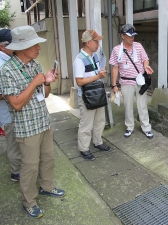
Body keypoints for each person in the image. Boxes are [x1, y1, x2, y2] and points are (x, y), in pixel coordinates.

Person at [0, 26, 65, 218]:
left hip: (42, 121)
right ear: (21, 47)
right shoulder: (7, 70)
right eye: (34, 44)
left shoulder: (35, 65)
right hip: (26, 127)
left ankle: (47, 186)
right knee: (29, 166)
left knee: (48, 158)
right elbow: (16, 104)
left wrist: (47, 82)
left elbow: (44, 95)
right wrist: (34, 83)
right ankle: (28, 201)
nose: (38, 48)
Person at [109, 24, 154, 139]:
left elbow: (145, 59)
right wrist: (114, 85)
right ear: (122, 36)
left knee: (142, 105)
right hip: (125, 82)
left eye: (134, 35)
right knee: (128, 106)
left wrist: (146, 66)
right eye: (129, 36)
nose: (132, 38)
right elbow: (115, 68)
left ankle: (146, 127)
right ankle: (129, 127)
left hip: (139, 81)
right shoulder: (116, 50)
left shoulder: (138, 46)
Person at [73, 30, 111, 161]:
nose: (98, 44)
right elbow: (79, 81)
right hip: (87, 95)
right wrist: (98, 76)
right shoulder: (79, 59)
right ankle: (84, 149)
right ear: (88, 43)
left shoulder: (94, 56)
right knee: (86, 124)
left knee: (100, 120)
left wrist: (99, 73)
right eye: (96, 41)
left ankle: (98, 142)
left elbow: (92, 74)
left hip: (96, 92)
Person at [0, 29, 22, 182]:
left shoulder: (11, 59)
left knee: (19, 142)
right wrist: (14, 93)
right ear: (2, 46)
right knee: (13, 143)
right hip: (7, 113)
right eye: (12, 44)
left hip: (18, 110)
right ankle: (16, 173)